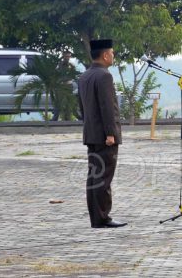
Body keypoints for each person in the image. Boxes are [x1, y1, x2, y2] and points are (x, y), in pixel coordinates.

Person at [77, 38, 127, 228]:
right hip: (105, 137)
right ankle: (103, 217)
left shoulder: (85, 76)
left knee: (94, 176)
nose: (113, 56)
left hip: (91, 133)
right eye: (112, 52)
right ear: (105, 55)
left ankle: (96, 218)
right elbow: (108, 108)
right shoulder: (104, 76)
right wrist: (110, 133)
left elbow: (82, 107)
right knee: (103, 178)